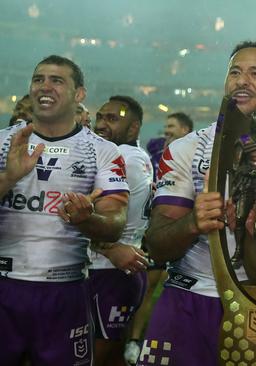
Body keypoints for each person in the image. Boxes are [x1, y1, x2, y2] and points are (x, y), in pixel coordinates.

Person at [137, 40, 256, 365]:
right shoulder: (186, 149)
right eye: (235, 72)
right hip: (187, 301)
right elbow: (156, 246)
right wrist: (194, 223)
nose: (241, 80)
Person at [0, 55, 129, 365]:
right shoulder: (4, 143)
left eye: (57, 80)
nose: (45, 86)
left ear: (79, 94)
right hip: (5, 285)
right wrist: (8, 178)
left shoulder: (103, 151)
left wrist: (88, 219)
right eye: (38, 79)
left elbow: (115, 223)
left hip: (64, 290)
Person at [124, 112, 194, 364]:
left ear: (186, 129)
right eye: (165, 127)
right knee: (136, 286)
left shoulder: (194, 155)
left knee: (151, 285)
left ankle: (134, 340)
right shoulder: (154, 148)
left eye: (172, 127)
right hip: (146, 228)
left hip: (169, 229)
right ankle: (128, 338)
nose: (166, 131)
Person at [89, 95, 152, 365]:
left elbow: (88, 219)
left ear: (134, 128)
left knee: (95, 356)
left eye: (112, 119)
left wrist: (109, 248)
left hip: (109, 273)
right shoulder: (135, 156)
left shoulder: (123, 158)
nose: (101, 124)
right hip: (118, 270)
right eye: (100, 117)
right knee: (112, 354)